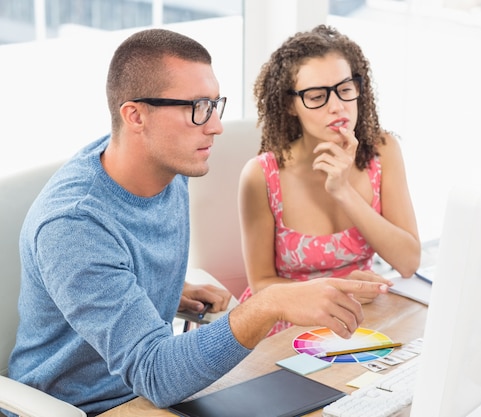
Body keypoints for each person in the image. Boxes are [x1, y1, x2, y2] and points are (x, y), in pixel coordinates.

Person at [6, 28, 388, 417]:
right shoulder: (73, 224)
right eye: (197, 108)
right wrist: (269, 304)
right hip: (88, 407)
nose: (215, 126)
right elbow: (156, 373)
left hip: (154, 396)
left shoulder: (168, 165)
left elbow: (113, 259)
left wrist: (148, 287)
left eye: (213, 104)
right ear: (135, 115)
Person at [238, 25, 421, 336]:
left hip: (362, 319)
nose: (337, 106)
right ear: (289, 105)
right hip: (288, 326)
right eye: (317, 96)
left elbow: (408, 262)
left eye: (345, 89)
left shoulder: (383, 151)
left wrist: (343, 191)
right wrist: (343, 290)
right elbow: (262, 285)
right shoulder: (261, 176)